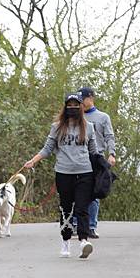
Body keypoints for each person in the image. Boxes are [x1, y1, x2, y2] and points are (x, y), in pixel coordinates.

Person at [24, 93, 98, 259]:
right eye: (69, 105)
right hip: (64, 173)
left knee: (81, 208)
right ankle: (65, 242)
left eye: (75, 105)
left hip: (85, 172)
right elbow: (48, 148)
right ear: (65, 107)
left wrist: (103, 168)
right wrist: (33, 161)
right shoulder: (57, 127)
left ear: (81, 107)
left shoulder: (89, 126)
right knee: (65, 208)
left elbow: (94, 152)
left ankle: (84, 241)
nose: (72, 108)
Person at [77, 87, 116, 239]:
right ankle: (76, 225)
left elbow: (109, 136)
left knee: (94, 193)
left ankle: (91, 226)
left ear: (91, 97)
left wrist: (111, 154)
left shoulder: (103, 117)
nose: (81, 102)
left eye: (83, 99)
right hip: (78, 157)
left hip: (96, 158)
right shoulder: (76, 117)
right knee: (77, 192)